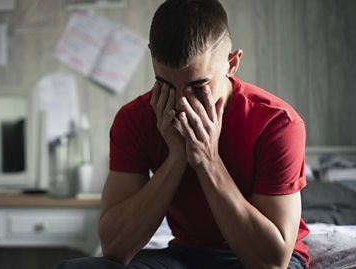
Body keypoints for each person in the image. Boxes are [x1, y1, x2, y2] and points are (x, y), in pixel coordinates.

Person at [56, 0, 309, 268]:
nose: (179, 102)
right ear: (152, 55)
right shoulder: (134, 119)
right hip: (187, 256)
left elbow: (272, 262)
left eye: (197, 86)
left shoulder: (277, 123)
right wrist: (176, 158)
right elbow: (115, 248)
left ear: (232, 64)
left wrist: (207, 161)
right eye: (164, 84)